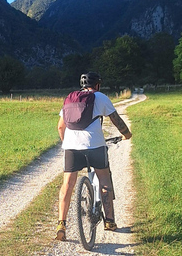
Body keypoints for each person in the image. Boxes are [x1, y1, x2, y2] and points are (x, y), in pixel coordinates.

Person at [55, 72, 132, 241]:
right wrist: (127, 134)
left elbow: (61, 127)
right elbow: (116, 120)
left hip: (71, 147)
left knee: (67, 183)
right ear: (97, 85)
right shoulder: (100, 97)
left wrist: (67, 144)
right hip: (95, 145)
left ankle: (61, 223)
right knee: (104, 179)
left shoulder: (71, 98)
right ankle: (110, 221)